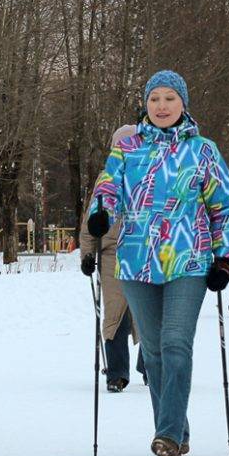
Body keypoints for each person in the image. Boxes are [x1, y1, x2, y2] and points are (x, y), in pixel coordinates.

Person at [86, 70, 229, 456]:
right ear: (146, 104)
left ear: (183, 103)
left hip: (189, 259)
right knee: (152, 351)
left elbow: (223, 204)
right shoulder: (127, 148)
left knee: (174, 343)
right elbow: (107, 189)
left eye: (170, 98)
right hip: (136, 260)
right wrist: (100, 216)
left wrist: (224, 258)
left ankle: (166, 434)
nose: (162, 106)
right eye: (155, 99)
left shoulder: (203, 150)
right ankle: (176, 429)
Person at [79, 155, 146, 393]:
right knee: (115, 312)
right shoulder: (106, 181)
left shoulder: (154, 175)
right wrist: (87, 255)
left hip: (146, 252)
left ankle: (151, 366)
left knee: (149, 311)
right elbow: (90, 221)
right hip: (112, 255)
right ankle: (117, 373)